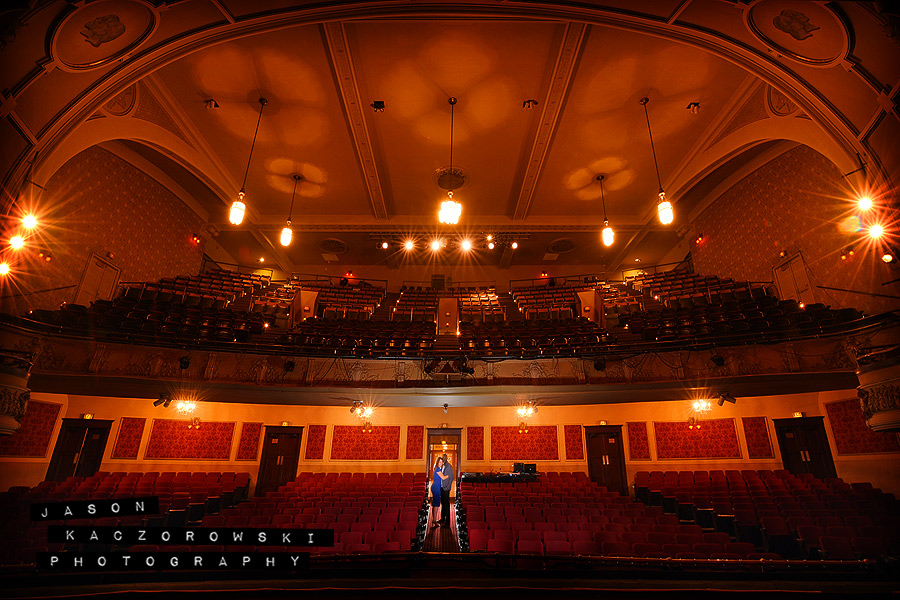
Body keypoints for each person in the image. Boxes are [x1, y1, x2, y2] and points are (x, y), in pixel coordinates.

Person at [430, 457, 447, 526]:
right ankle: (434, 520)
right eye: (439, 462)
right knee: (437, 504)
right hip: (436, 488)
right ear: (437, 462)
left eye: (442, 462)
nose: (441, 463)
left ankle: (433, 519)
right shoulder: (437, 469)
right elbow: (443, 477)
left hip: (435, 487)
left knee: (434, 504)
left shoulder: (438, 469)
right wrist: (449, 476)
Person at [439, 453, 454, 526]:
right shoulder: (442, 466)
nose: (443, 459)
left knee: (446, 505)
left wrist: (448, 487)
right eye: (443, 458)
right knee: (443, 504)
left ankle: (447, 522)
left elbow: (451, 478)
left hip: (446, 488)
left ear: (446, 458)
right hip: (441, 488)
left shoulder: (449, 466)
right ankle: (442, 518)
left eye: (445, 458)